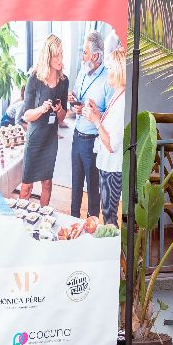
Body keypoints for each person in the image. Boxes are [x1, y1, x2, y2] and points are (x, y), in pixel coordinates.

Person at [18, 35, 68, 207]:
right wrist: (41, 109)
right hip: (35, 140)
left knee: (47, 183)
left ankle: (43, 216)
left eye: (61, 54)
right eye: (56, 56)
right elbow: (26, 115)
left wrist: (59, 110)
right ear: (48, 57)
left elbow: (62, 117)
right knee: (27, 186)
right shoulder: (34, 79)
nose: (60, 59)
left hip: (50, 140)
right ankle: (22, 218)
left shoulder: (64, 81)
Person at [68, 30, 108, 220]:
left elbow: (110, 115)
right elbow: (76, 97)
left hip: (94, 142)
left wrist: (94, 114)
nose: (82, 56)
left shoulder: (108, 79)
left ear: (96, 55)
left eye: (85, 53)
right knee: (76, 183)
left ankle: (92, 224)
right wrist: (73, 102)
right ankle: (73, 219)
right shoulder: (82, 71)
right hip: (77, 136)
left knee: (93, 187)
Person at [94, 46, 127, 226]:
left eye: (110, 68)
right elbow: (109, 126)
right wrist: (97, 115)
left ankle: (111, 242)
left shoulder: (122, 102)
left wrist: (95, 121)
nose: (107, 72)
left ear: (119, 70)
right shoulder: (117, 95)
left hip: (112, 168)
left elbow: (112, 144)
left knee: (109, 215)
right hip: (107, 165)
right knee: (107, 212)